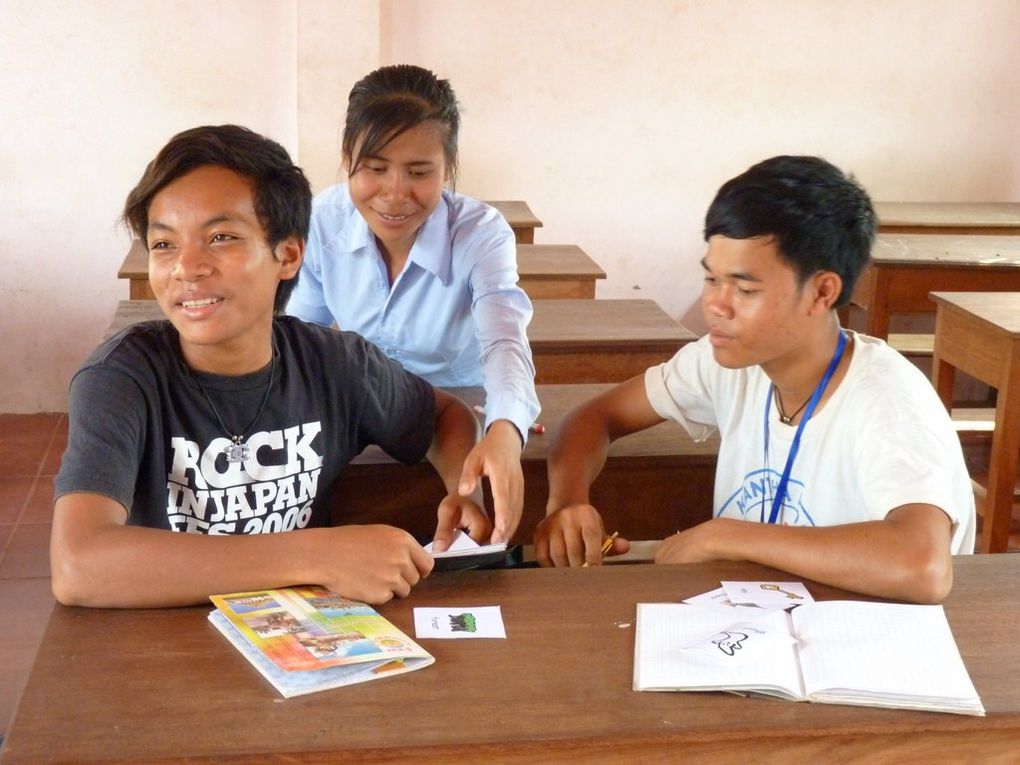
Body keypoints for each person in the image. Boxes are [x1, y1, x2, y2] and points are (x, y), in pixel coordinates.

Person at [51, 124, 490, 609]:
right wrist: (315, 554)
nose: (186, 267)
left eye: (220, 237)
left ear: (288, 255)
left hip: (306, 638)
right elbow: (78, 564)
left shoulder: (334, 365)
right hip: (164, 640)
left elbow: (443, 415)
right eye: (164, 244)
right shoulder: (122, 379)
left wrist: (464, 492)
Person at [535, 155, 975, 604]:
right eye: (711, 279)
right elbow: (596, 417)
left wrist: (725, 536)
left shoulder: (887, 403)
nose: (716, 306)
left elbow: (924, 565)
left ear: (823, 292)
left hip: (869, 651)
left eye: (745, 290)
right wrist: (568, 502)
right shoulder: (730, 361)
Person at [286, 64, 539, 545]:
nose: (395, 194)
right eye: (375, 169)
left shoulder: (481, 233)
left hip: (460, 408)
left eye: (419, 172)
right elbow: (303, 337)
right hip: (366, 403)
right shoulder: (321, 220)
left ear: (449, 165)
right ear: (347, 158)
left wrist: (507, 424)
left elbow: (505, 338)